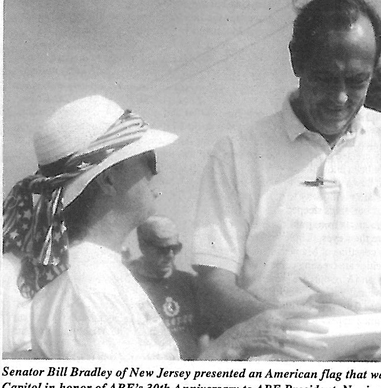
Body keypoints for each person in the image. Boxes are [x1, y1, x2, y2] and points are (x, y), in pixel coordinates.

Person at [192, 0, 381, 361]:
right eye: (325, 78)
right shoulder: (235, 152)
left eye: (357, 81)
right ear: (296, 60)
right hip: (277, 374)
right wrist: (294, 331)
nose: (340, 98)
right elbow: (213, 284)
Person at [3, 95, 326, 360]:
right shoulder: (87, 284)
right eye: (148, 160)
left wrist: (234, 345)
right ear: (108, 180)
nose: (155, 174)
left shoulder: (97, 272)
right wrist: (231, 343)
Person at [127, 216, 202, 360]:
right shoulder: (131, 287)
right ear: (143, 247)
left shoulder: (189, 282)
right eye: (163, 249)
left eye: (175, 248)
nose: (170, 255)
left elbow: (203, 334)